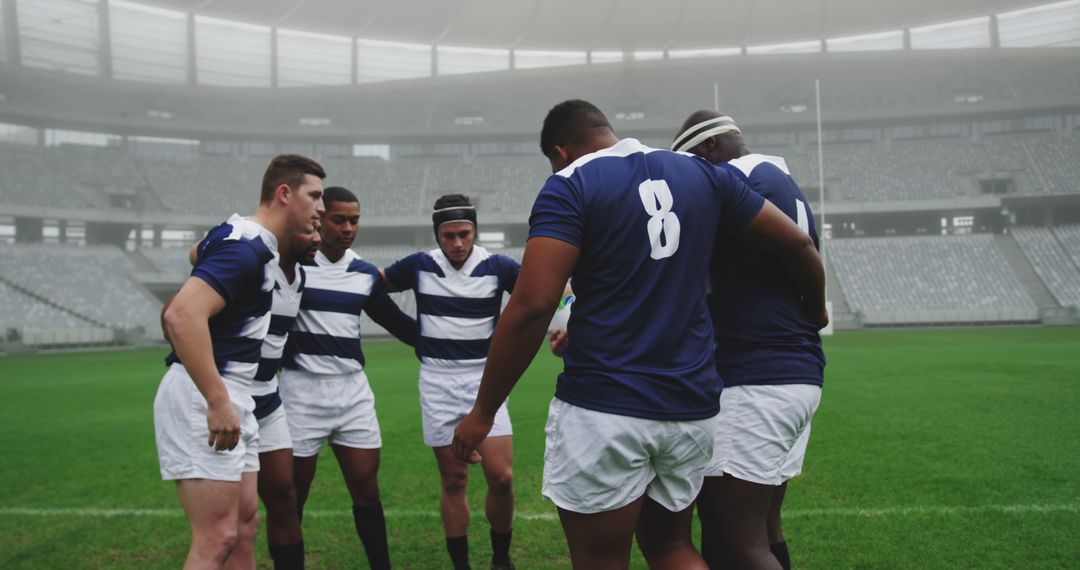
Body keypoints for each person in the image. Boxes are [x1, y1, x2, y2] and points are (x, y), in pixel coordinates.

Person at [451, 99, 827, 570]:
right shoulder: (702, 172)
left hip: (607, 406)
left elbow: (532, 306)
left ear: (561, 151)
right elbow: (796, 240)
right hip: (692, 408)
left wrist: (483, 411)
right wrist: (816, 310)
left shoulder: (571, 183)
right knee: (671, 547)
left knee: (600, 558)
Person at [154, 154, 325, 569]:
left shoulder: (243, 239)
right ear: (284, 194)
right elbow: (180, 314)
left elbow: (200, 252)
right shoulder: (246, 248)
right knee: (217, 538)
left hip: (238, 395)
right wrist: (216, 399)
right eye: (315, 196)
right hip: (209, 395)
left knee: (244, 525)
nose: (321, 207)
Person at [672, 111, 825, 570]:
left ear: (708, 148)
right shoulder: (778, 178)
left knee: (734, 539)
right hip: (793, 371)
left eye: (690, 163)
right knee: (763, 529)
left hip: (754, 376)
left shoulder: (731, 179)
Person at [280, 186, 418, 570]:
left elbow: (401, 326)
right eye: (338, 219)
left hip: (352, 392)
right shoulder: (293, 267)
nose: (347, 228)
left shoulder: (362, 273)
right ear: (319, 219)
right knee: (294, 497)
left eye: (354, 221)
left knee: (366, 490)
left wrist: (458, 340)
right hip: (301, 391)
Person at [380, 194, 519, 570]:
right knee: (455, 479)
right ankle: (461, 565)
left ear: (474, 230)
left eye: (464, 234)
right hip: (438, 382)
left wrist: (564, 322)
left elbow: (548, 292)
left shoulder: (498, 266)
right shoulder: (419, 265)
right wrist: (413, 333)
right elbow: (374, 289)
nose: (458, 243)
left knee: (502, 477)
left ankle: (501, 558)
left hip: (483, 381)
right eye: (448, 236)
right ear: (437, 235)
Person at [186, 222, 322, 570]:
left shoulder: (301, 277)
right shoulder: (257, 262)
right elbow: (196, 260)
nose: (317, 239)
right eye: (308, 231)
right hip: (233, 393)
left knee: (283, 496)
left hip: (268, 398)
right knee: (228, 524)